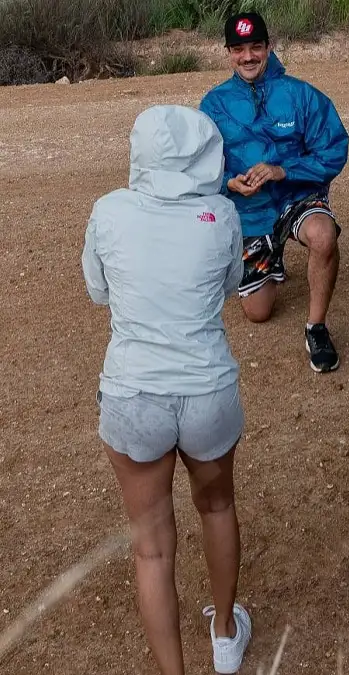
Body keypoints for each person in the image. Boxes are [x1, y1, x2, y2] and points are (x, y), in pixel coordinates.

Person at [82, 104, 252, 674]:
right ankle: (225, 637)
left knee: (152, 548)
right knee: (218, 505)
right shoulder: (222, 214)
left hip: (135, 397)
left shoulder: (108, 211)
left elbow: (98, 291)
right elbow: (233, 286)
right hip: (207, 390)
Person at [199, 11, 349, 373]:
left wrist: (284, 170)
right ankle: (269, 258)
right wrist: (228, 182)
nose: (248, 57)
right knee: (258, 314)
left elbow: (334, 149)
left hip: (295, 196)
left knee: (323, 236)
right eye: (239, 49)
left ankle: (316, 327)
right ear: (227, 53)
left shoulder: (301, 95)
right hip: (250, 212)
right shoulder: (213, 105)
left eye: (255, 47)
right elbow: (199, 166)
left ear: (269, 47)